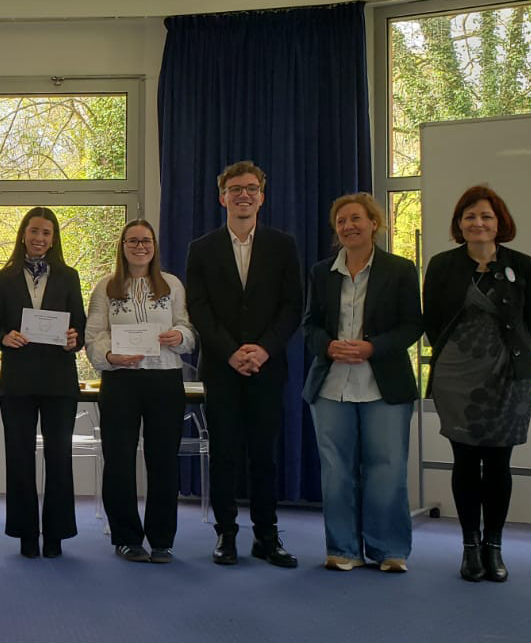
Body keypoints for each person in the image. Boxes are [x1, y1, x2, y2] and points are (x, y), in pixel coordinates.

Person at [185, 160, 302, 567]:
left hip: (268, 368)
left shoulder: (283, 244)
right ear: (223, 197)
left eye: (251, 188)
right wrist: (230, 351)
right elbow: (198, 308)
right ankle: (227, 535)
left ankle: (267, 537)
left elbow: (292, 306)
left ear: (262, 197)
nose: (244, 195)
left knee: (265, 456)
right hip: (221, 368)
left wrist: (264, 349)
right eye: (235, 189)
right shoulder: (201, 248)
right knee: (224, 455)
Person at [302, 193, 422, 573]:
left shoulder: (400, 270)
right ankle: (342, 549)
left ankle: (389, 550)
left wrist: (373, 347)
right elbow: (310, 326)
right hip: (330, 387)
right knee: (336, 471)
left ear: (374, 223)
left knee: (386, 468)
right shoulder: (322, 272)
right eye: (341, 221)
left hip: (384, 386)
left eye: (356, 218)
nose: (348, 226)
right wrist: (327, 345)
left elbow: (412, 325)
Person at [423, 185, 531, 582]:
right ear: (459, 224)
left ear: (500, 222)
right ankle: (470, 546)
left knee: (499, 462)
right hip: (457, 378)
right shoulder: (442, 265)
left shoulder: (523, 265)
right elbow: (433, 320)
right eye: (469, 216)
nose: (478, 223)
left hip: (509, 379)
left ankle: (494, 547)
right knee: (465, 460)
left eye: (485, 216)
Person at [86, 219, 196, 564]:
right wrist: (109, 356)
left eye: (145, 240)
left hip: (164, 379)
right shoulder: (106, 287)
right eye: (132, 241)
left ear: (154, 246)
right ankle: (127, 538)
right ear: (122, 246)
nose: (139, 246)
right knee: (118, 460)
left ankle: (162, 539)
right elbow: (94, 335)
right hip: (121, 380)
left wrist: (180, 337)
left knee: (163, 461)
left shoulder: (172, 285)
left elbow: (188, 328)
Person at [0, 208, 86, 558]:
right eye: (34, 231)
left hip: (60, 380)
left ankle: (56, 534)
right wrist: (4, 338)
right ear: (23, 234)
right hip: (17, 381)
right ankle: (26, 534)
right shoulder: (5, 277)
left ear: (54, 237)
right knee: (19, 458)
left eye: (46, 232)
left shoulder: (69, 276)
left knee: (59, 458)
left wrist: (76, 338)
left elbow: (81, 328)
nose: (40, 238)